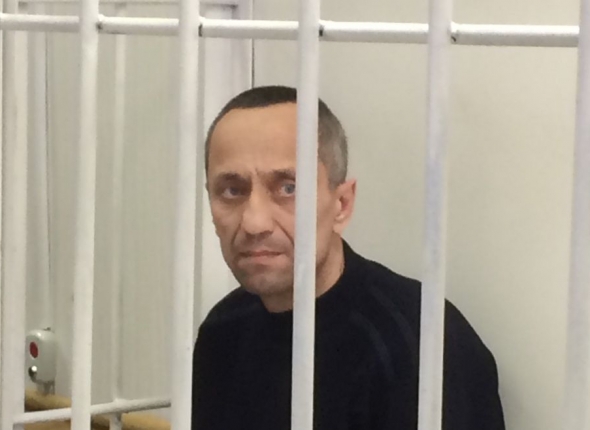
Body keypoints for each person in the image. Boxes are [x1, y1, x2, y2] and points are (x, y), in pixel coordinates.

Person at [191, 85, 505, 430]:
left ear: (342, 204)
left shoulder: (419, 343)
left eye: (288, 188)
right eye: (232, 190)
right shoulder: (223, 332)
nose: (254, 222)